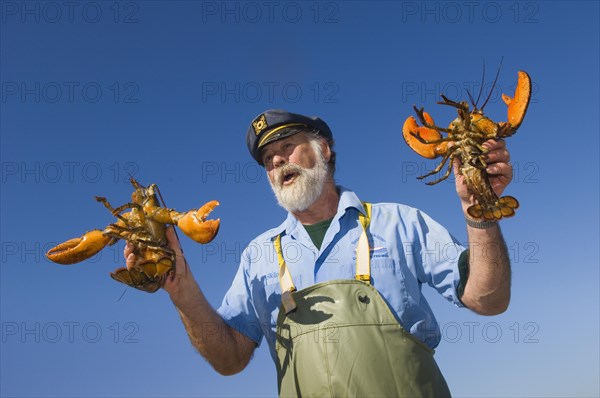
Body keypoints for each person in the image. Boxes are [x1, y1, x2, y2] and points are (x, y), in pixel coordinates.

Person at [125, 109, 513, 397]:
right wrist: (180, 288)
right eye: (267, 159)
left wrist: (478, 210)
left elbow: (487, 298)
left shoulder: (398, 222)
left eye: (287, 146)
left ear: (324, 149)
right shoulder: (259, 255)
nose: (276, 161)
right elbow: (229, 360)